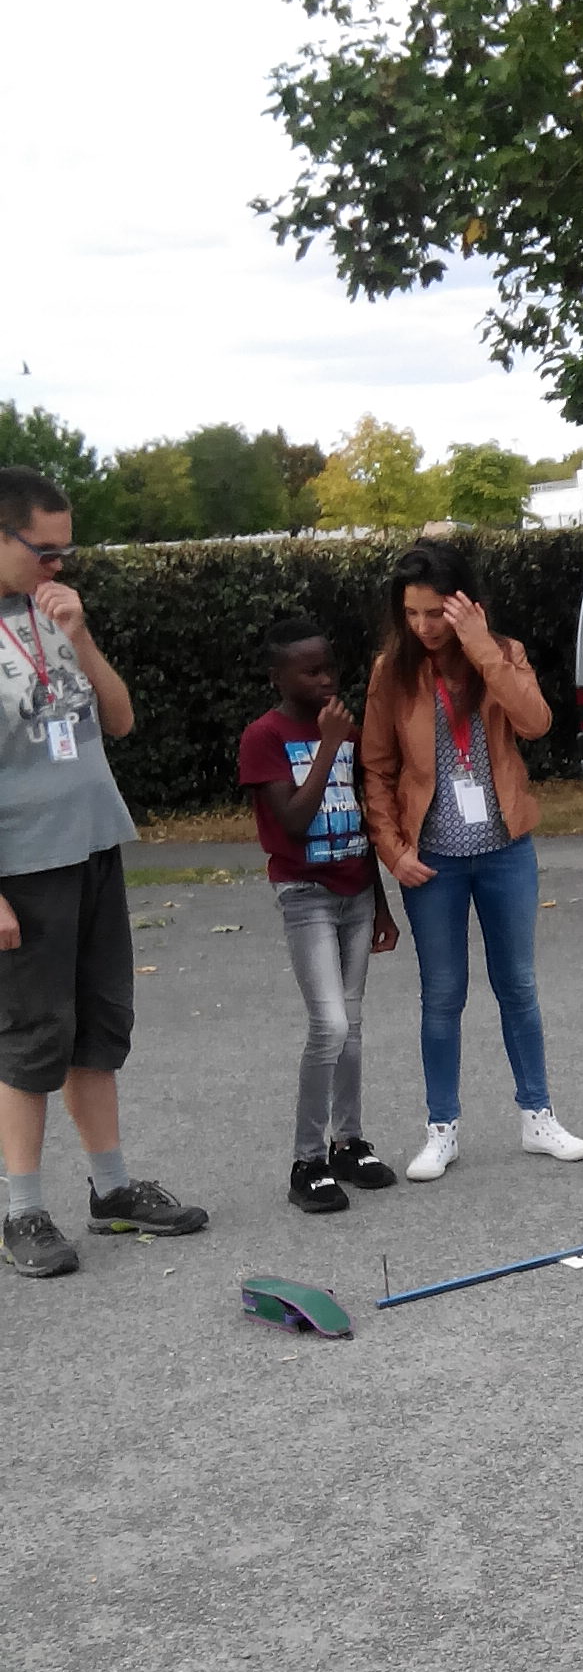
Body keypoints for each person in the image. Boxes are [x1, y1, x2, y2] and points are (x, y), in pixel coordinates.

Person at [0, 466, 207, 1277]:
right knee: (30, 1038)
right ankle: (20, 1211)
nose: (59, 565)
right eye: (43, 551)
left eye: (66, 551)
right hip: (23, 866)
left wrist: (80, 635)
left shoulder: (54, 614)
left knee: (98, 1025)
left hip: (92, 847)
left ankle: (112, 1192)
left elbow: (118, 719)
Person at [361, 540, 583, 1180]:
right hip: (431, 860)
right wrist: (394, 850)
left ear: (464, 604)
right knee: (442, 994)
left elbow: (538, 721)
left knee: (517, 985)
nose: (424, 627)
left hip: (505, 849)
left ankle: (538, 1118)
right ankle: (442, 1130)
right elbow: (376, 769)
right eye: (411, 614)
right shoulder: (393, 671)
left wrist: (484, 646)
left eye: (436, 613)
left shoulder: (503, 654)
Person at [239, 618, 402, 1214]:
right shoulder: (265, 736)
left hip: (356, 891)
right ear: (277, 676)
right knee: (329, 1026)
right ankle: (305, 1160)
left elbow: (357, 819)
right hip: (305, 894)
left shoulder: (348, 732)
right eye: (310, 670)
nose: (325, 678)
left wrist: (382, 902)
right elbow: (295, 821)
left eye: (329, 666)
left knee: (352, 1028)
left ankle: (348, 1143)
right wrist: (330, 745)